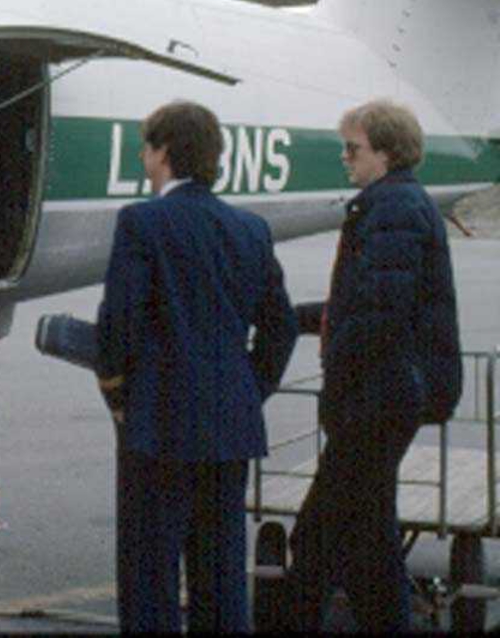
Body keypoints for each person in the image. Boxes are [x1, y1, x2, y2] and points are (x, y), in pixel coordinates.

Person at [93, 100, 298, 633]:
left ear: (162, 152)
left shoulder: (141, 222)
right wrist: (250, 388)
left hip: (158, 427)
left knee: (149, 580)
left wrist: (119, 397)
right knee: (221, 575)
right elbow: (281, 327)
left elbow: (118, 327)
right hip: (230, 425)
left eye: (146, 147)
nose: (143, 157)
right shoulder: (250, 228)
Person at [284, 99, 461, 632]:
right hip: (386, 399)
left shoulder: (393, 209)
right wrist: (292, 318)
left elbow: (380, 313)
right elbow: (365, 304)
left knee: (316, 538)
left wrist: (337, 368)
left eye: (353, 148)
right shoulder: (394, 204)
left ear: (384, 152)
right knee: (367, 541)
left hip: (377, 402)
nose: (345, 157)